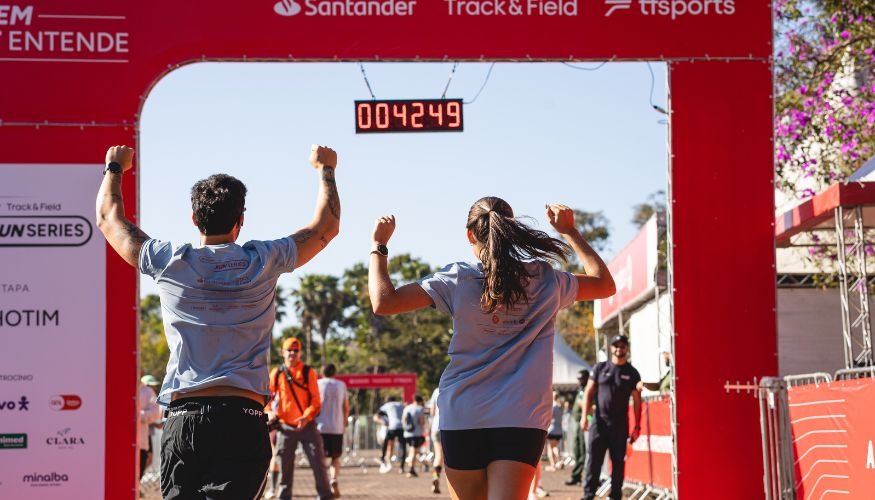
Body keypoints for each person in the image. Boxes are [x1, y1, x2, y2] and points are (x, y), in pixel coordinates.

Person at [95, 143, 340, 499]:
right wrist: (326, 168)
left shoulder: (169, 261)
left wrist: (114, 167)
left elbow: (109, 220)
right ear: (241, 220)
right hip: (243, 419)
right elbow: (326, 227)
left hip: (184, 420)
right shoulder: (264, 259)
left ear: (194, 219)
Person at [367, 197, 615, 500]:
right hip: (522, 417)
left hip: (463, 413)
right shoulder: (545, 279)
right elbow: (604, 284)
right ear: (512, 231)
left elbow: (384, 302)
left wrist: (379, 245)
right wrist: (570, 231)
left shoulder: (457, 278)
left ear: (470, 234)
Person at [270, 337, 334, 500]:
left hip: (307, 426)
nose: (292, 353)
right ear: (282, 352)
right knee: (284, 467)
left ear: (300, 353)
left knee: (318, 463)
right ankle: (284, 497)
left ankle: (325, 496)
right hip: (285, 427)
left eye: (296, 350)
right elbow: (266, 397)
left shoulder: (308, 372)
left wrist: (306, 417)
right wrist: (269, 412)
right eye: (289, 350)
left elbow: (316, 401)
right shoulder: (277, 373)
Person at [581, 334, 642, 500]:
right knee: (593, 462)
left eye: (622, 346)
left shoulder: (632, 373)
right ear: (611, 348)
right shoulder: (600, 368)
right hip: (599, 423)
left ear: (627, 349)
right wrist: (584, 416)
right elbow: (588, 392)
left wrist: (637, 426)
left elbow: (637, 401)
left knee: (618, 464)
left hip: (620, 426)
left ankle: (615, 496)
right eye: (616, 346)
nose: (619, 349)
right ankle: (588, 495)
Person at [316, 363, 349, 498]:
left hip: (320, 426)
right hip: (337, 427)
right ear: (335, 372)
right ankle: (333, 479)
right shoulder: (341, 385)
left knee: (321, 459)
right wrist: (344, 423)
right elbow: (345, 407)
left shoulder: (317, 384)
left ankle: (324, 484)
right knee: (335, 457)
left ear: (321, 372)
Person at [564, 369, 590, 486]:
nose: (579, 381)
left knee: (582, 450)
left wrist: (584, 406)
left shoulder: (589, 389)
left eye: (581, 379)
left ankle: (578, 475)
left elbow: (590, 406)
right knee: (576, 449)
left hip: (585, 423)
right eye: (579, 379)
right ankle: (576, 476)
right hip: (578, 422)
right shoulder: (581, 389)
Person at [137, 375, 161, 482]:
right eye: (150, 385)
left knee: (138, 475)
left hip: (142, 442)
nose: (152, 387)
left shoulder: (147, 392)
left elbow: (156, 413)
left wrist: (137, 415)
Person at [375, 396, 406, 474]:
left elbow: (377, 414)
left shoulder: (387, 405)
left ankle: (382, 459)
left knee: (386, 444)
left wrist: (383, 421)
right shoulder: (400, 404)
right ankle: (402, 467)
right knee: (403, 447)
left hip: (392, 427)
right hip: (401, 427)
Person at [402, 394, 427, 478]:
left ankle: (412, 468)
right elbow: (422, 422)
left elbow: (403, 419)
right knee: (413, 451)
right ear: (420, 401)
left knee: (413, 451)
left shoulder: (407, 408)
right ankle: (411, 469)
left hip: (407, 433)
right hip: (416, 434)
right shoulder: (419, 408)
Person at [427, 387, 444, 494]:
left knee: (438, 455)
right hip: (449, 426)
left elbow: (432, 412)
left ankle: (436, 477)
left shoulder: (436, 391)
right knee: (449, 458)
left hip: (436, 426)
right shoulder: (455, 384)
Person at [545, 391, 564, 471]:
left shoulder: (553, 406)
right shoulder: (560, 406)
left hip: (552, 429)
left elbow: (549, 417)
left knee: (550, 447)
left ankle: (553, 464)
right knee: (554, 446)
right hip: (559, 430)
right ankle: (558, 461)